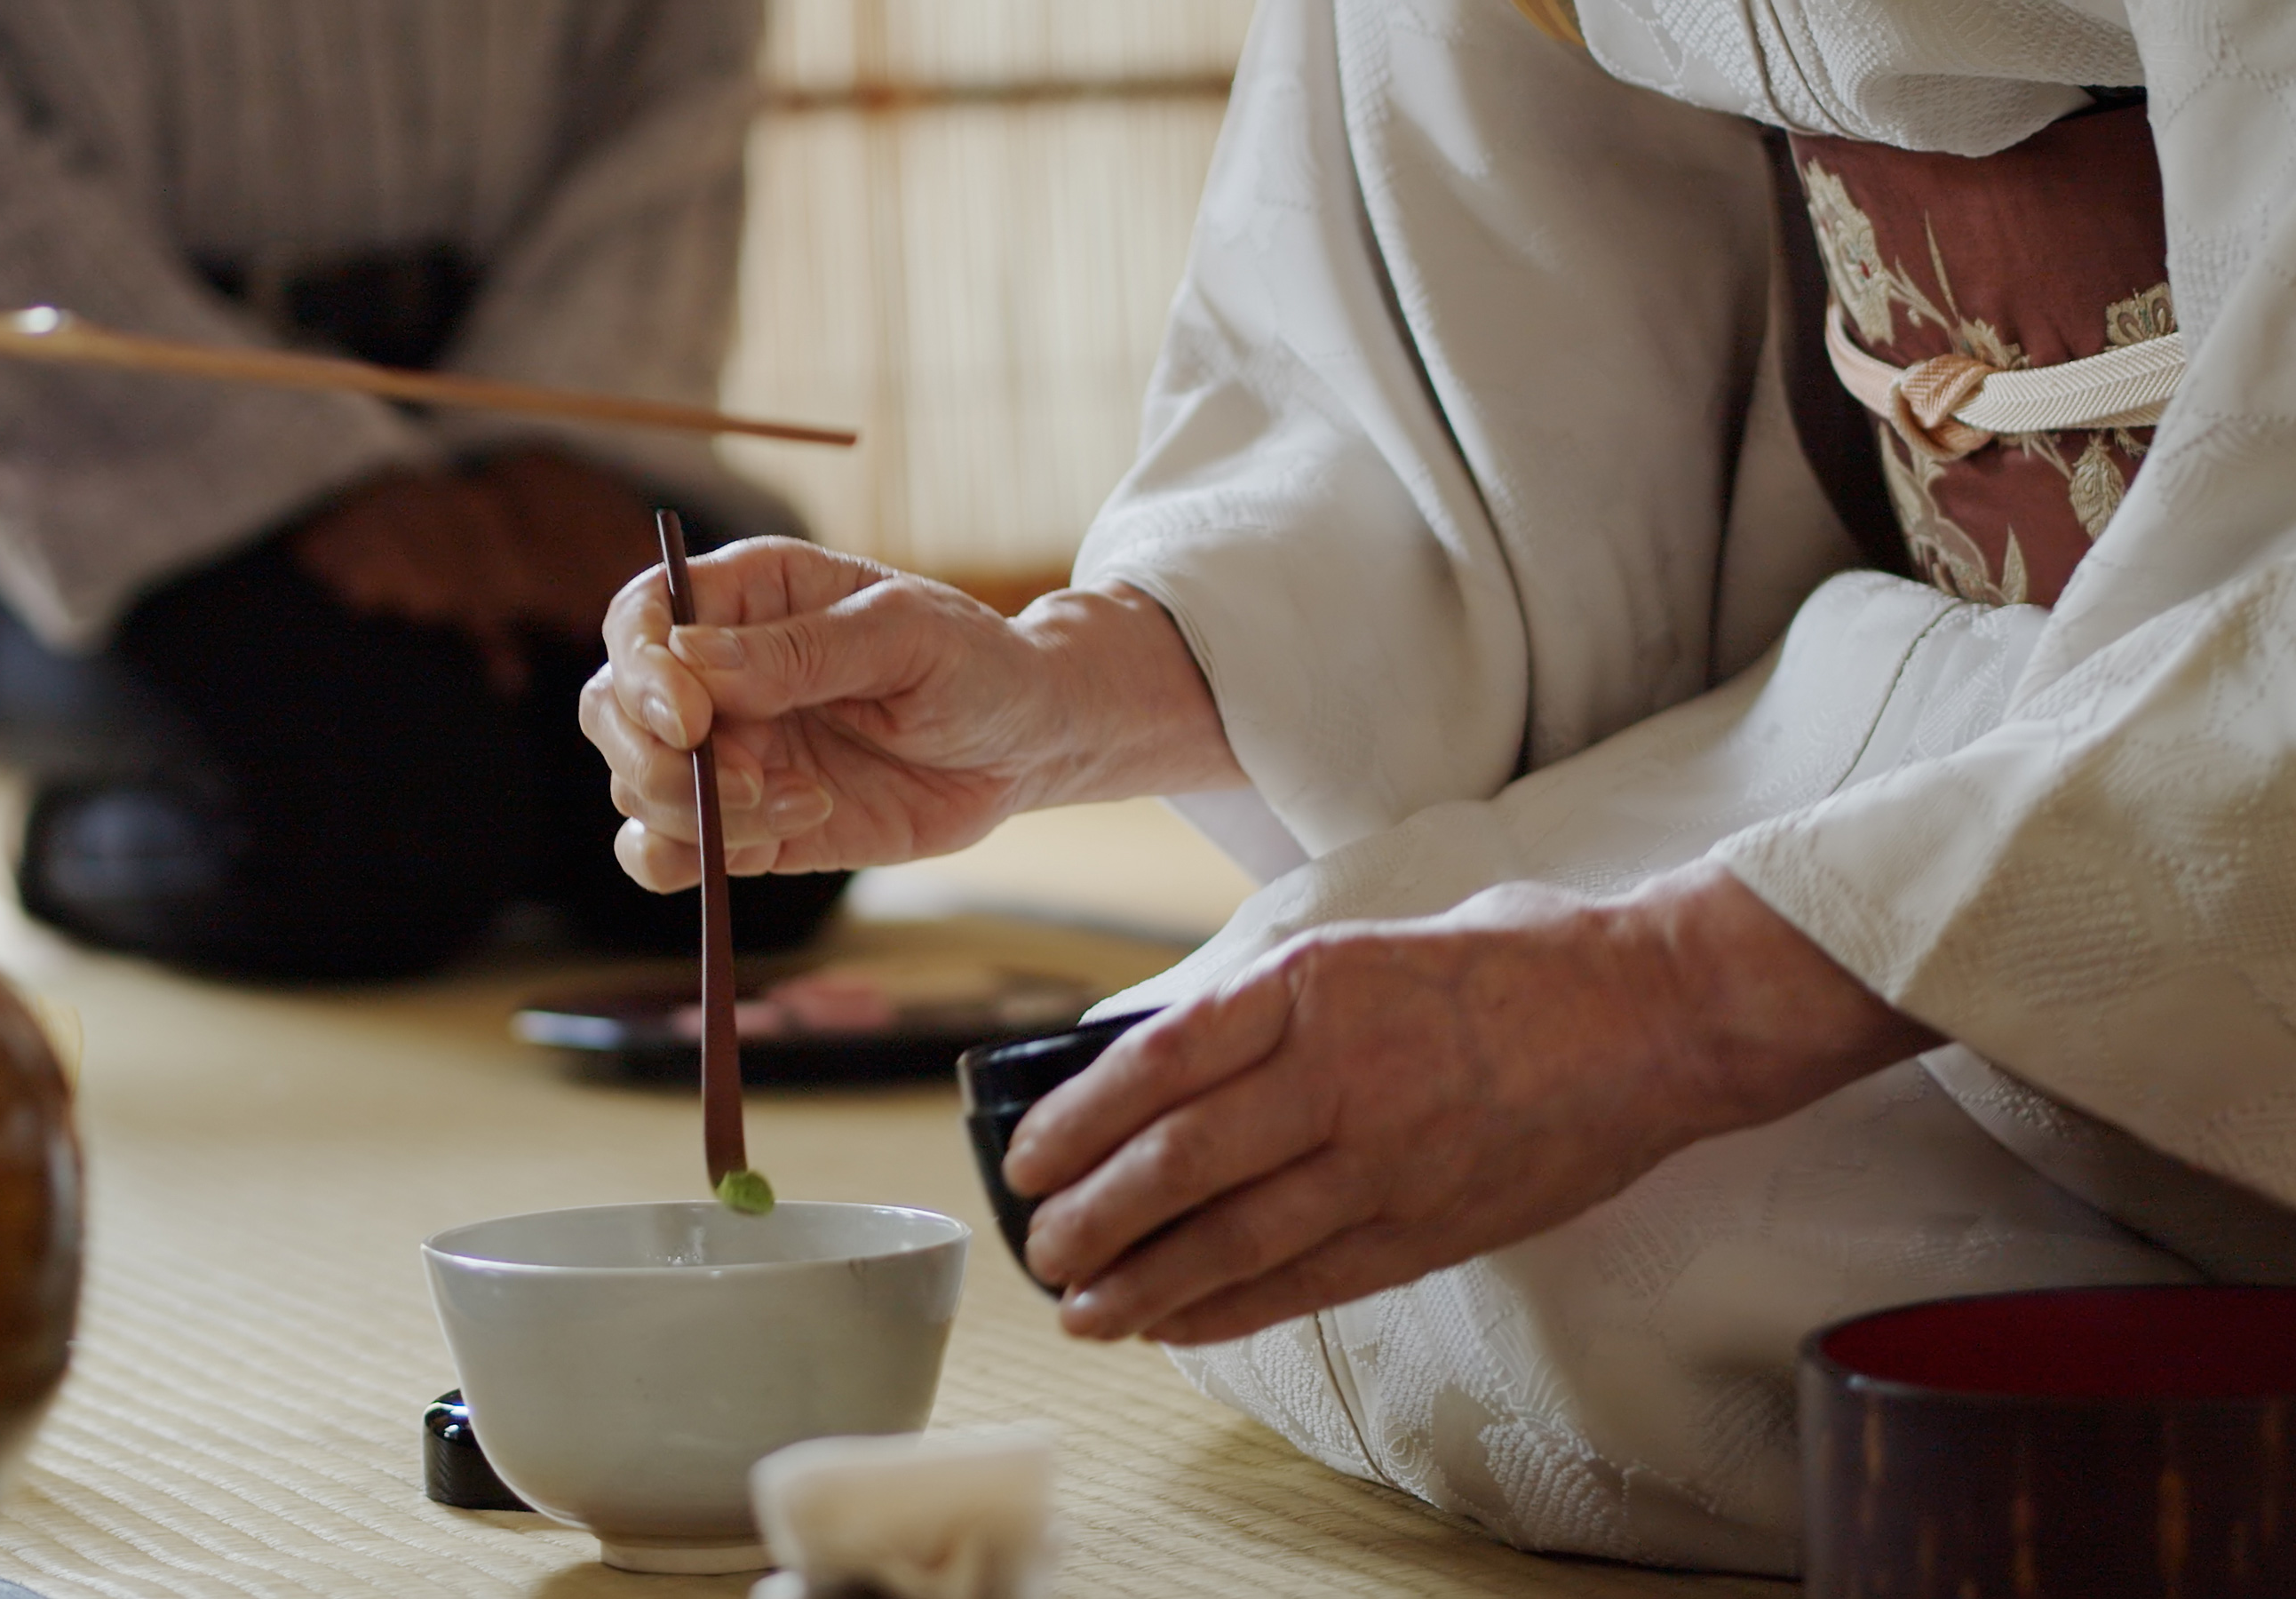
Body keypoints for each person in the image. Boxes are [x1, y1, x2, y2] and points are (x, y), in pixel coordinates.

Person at [587, 0, 2296, 1573]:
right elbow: (1464, 332)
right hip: (1926, 679)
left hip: (2218, 746)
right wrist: (1060, 692)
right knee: (1249, 1118)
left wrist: (1681, 993)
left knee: (1495, 1227)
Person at [0, 0, 848, 981]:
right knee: (359, 818)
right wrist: (303, 464)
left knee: (769, 796)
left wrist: (554, 431)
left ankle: (502, 799)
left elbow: (677, 71)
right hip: (85, 430)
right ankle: (19, 814)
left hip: (528, 379)